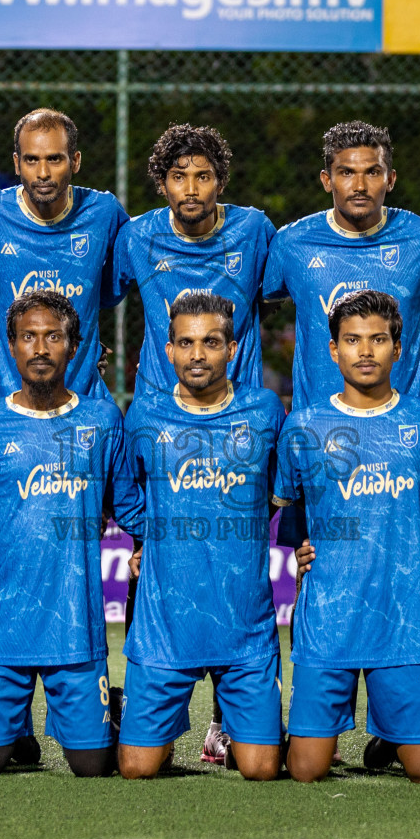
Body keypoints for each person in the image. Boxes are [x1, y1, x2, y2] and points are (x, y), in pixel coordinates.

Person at [0, 290, 145, 777]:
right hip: (0, 627)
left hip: (73, 626)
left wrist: (166, 536)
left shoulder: (102, 421)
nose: (40, 348)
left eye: (53, 336)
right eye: (28, 337)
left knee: (92, 767)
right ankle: (12, 734)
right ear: (10, 347)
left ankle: (112, 711)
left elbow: (129, 505)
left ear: (74, 345)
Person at [272, 290, 420, 784]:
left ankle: (393, 736)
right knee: (305, 772)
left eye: (378, 339)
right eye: (352, 340)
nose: (366, 351)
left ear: (399, 347)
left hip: (403, 622)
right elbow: (292, 511)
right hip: (328, 621)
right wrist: (302, 551)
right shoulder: (303, 425)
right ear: (333, 350)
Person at [117, 293, 286, 781]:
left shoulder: (264, 410)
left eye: (210, 342)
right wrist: (147, 539)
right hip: (165, 627)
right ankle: (129, 720)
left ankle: (249, 731)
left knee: (261, 770)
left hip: (244, 626)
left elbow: (285, 486)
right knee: (137, 769)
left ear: (232, 348)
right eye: (186, 343)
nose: (197, 355)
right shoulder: (145, 414)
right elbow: (128, 489)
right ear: (167, 350)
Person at [262, 121, 420, 410]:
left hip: (407, 425)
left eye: (373, 172)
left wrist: (406, 324)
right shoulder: (291, 243)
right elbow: (254, 313)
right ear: (327, 180)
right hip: (319, 428)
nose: (360, 186)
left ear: (390, 180)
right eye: (346, 173)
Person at [0, 109, 128, 402]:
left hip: (82, 403)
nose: (43, 173)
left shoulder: (104, 213)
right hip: (2, 401)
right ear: (17, 163)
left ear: (75, 161)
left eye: (54, 159)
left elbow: (108, 288)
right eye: (32, 160)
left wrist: (87, 329)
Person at [113, 124, 275, 396]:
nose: (190, 189)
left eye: (203, 177)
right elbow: (98, 295)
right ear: (162, 185)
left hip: (238, 405)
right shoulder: (136, 236)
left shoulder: (253, 229)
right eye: (178, 177)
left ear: (220, 183)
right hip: (159, 403)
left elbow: (273, 298)